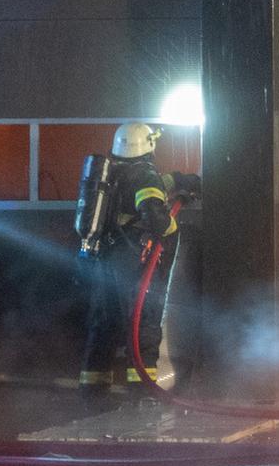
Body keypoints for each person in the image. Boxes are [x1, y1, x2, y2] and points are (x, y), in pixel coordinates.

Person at [77, 122, 199, 411]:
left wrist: (181, 181)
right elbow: (156, 218)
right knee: (144, 322)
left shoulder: (111, 172)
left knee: (104, 323)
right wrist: (171, 228)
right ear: (148, 145)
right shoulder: (144, 174)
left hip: (103, 258)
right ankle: (142, 390)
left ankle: (93, 387)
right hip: (133, 261)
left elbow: (150, 185)